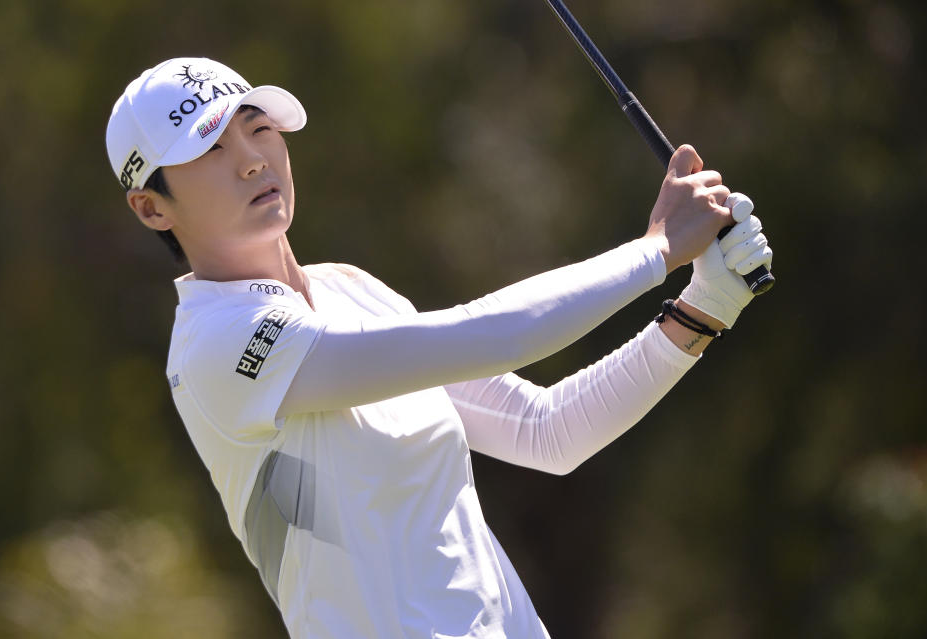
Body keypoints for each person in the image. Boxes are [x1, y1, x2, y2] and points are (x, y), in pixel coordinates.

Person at [106, 56, 772, 638]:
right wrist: (656, 249)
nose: (252, 157)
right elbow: (485, 334)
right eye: (210, 149)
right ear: (151, 208)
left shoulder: (348, 291)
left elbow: (546, 431)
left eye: (257, 128)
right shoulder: (217, 344)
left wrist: (702, 307)